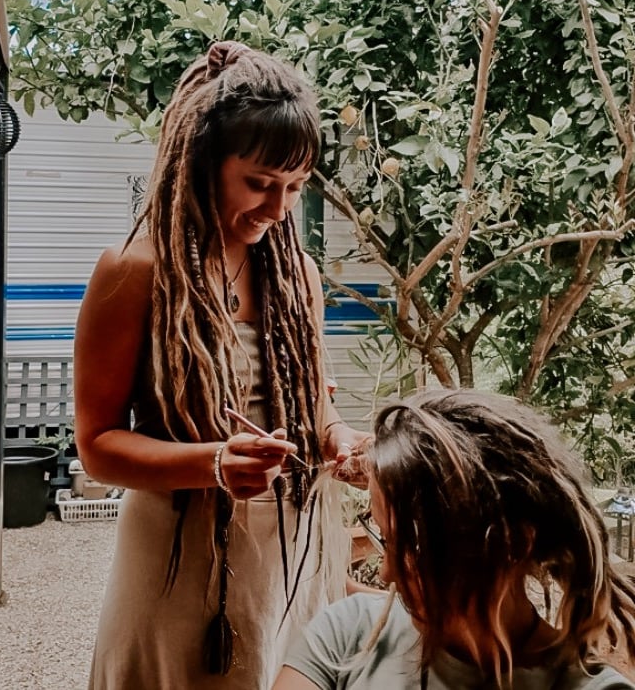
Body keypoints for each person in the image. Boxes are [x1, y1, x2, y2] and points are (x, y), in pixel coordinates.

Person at [74, 40, 370, 690]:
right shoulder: (133, 273)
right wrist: (209, 463)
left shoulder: (298, 275)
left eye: (294, 187)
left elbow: (311, 405)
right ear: (202, 162)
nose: (279, 208)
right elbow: (96, 446)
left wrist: (339, 440)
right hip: (180, 564)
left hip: (293, 557)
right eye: (260, 184)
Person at [275, 389, 635, 689]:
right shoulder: (347, 632)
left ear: (512, 545)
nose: (386, 574)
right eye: (384, 539)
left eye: (413, 547)